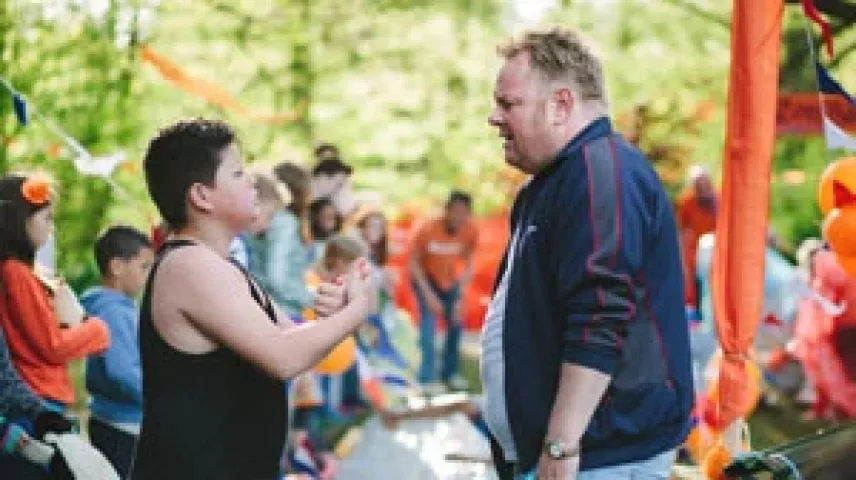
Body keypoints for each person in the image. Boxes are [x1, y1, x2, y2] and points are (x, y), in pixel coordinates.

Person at [483, 28, 693, 479]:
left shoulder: (602, 172)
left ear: (561, 104)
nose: (493, 118)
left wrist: (561, 444)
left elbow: (600, 312)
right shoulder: (552, 181)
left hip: (600, 455)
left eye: (508, 104)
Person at [130, 118, 375, 480]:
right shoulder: (189, 265)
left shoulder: (223, 266)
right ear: (201, 195)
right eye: (238, 173)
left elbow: (291, 339)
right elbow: (283, 357)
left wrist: (333, 313)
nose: (252, 181)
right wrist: (356, 311)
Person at [0, 174, 110, 478]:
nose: (51, 227)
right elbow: (53, 346)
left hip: (41, 399)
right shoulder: (16, 274)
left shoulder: (24, 272)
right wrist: (96, 328)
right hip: (35, 398)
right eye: (46, 218)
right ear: (20, 219)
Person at [81, 226, 153, 478]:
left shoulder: (115, 307)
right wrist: (157, 398)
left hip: (114, 419)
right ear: (117, 267)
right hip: (121, 424)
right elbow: (122, 371)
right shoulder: (113, 311)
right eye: (143, 267)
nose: (147, 275)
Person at [409, 191, 477, 390]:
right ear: (446, 210)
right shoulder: (426, 229)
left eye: (464, 212)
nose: (458, 216)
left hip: (451, 282)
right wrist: (428, 296)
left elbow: (469, 263)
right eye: (455, 211)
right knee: (428, 329)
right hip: (425, 280)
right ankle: (427, 379)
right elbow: (413, 264)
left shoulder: (470, 231)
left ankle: (450, 373)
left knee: (456, 325)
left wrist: (459, 296)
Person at [676, 165, 718, 315]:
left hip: (716, 252)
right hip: (696, 254)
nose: (703, 188)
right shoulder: (687, 202)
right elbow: (681, 229)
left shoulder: (718, 200)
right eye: (698, 185)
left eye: (705, 183)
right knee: (696, 286)